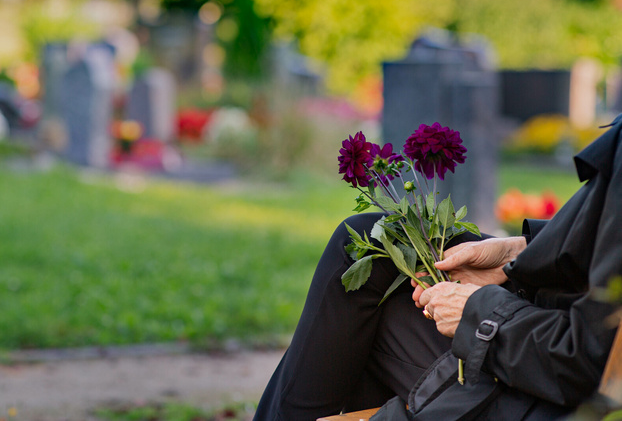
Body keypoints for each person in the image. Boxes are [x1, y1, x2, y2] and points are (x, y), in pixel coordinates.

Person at [253, 116, 622, 420]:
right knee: (378, 244)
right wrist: (517, 254)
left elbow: (588, 360)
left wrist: (475, 312)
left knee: (363, 285)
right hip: (544, 322)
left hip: (538, 395)